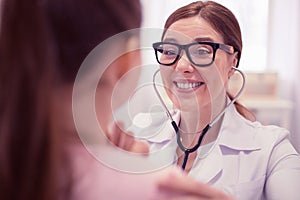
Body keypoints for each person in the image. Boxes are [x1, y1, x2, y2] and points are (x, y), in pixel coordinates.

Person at [129, 1, 300, 199]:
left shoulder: (272, 149)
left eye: (202, 51)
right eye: (169, 51)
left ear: (232, 61)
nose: (182, 65)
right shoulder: (137, 135)